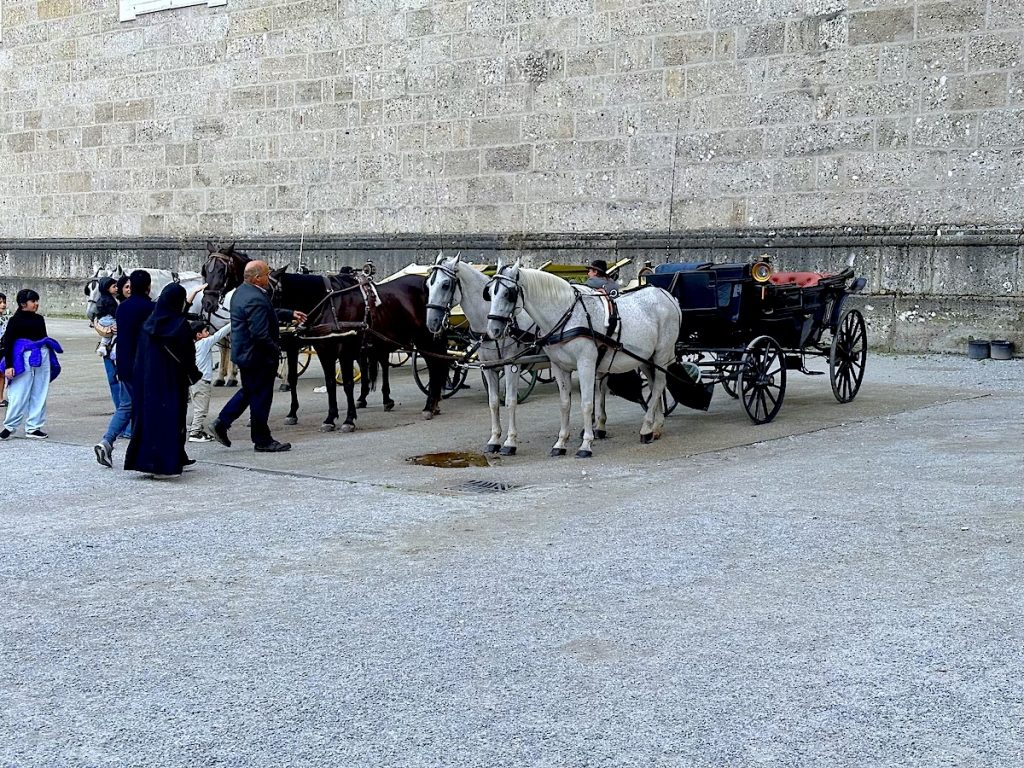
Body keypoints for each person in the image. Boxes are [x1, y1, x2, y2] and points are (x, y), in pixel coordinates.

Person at [209, 260, 307, 453]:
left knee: (249, 391)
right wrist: (275, 348)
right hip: (258, 357)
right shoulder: (256, 298)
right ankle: (261, 439)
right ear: (257, 278)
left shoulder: (242, 292)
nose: (269, 278)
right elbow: (260, 333)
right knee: (261, 397)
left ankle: (222, 422)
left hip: (245, 354)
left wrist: (288, 314)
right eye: (266, 274)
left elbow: (265, 313)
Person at [124, 283, 202, 477]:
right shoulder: (180, 326)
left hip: (148, 382)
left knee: (149, 420)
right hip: (172, 382)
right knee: (172, 420)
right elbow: (187, 355)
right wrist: (193, 374)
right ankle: (163, 464)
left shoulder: (148, 325)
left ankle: (152, 461)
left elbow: (139, 357)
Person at [94, 270, 154, 468]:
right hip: (144, 366)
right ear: (148, 286)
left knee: (126, 406)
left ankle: (107, 440)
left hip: (124, 364)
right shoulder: (149, 308)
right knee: (148, 406)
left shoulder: (123, 308)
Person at [0, 289, 63, 440]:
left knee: (40, 391)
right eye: (33, 301)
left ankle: (34, 427)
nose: (36, 304)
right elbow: (8, 343)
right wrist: (9, 365)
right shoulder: (15, 321)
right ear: (23, 304)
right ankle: (9, 425)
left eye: (36, 301)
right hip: (22, 357)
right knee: (18, 393)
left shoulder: (39, 319)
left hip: (41, 356)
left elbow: (44, 338)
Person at [188, 319, 232, 442]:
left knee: (198, 407)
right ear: (199, 335)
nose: (209, 333)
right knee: (201, 410)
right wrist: (233, 321)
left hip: (195, 382)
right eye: (206, 331)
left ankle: (198, 430)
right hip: (202, 383)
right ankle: (195, 433)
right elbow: (220, 334)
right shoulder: (204, 343)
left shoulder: (192, 345)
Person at [93, 277, 120, 409]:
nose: (117, 288)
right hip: (112, 343)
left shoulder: (111, 300)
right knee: (113, 378)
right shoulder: (109, 301)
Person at [0, 293, 8, 408]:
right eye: (0, 302)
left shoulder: (6, 318)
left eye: (4, 302)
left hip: (2, 349)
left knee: (1, 374)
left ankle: (0, 398)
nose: (3, 305)